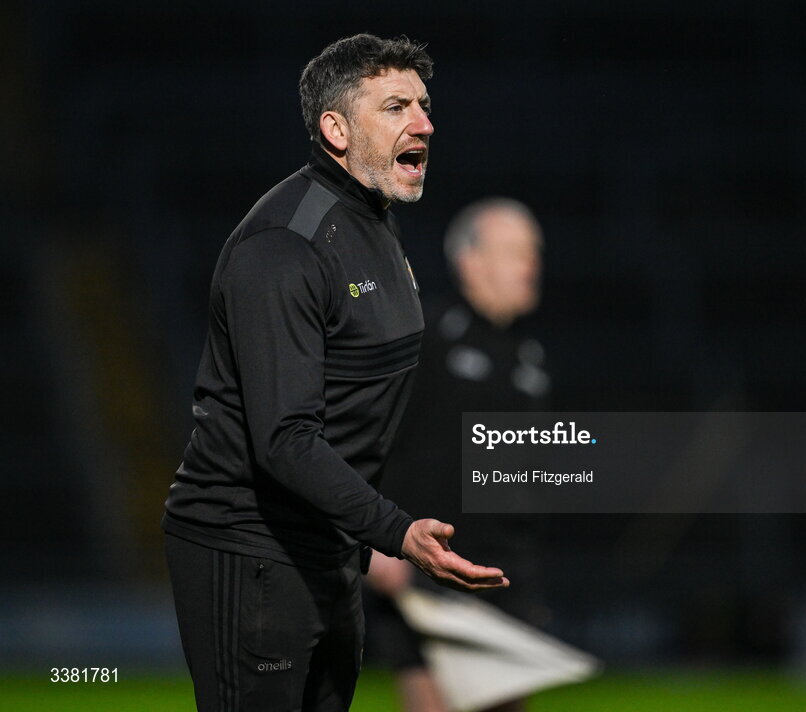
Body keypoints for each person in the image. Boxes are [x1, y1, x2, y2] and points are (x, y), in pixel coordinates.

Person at [162, 34, 508, 712]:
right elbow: (285, 438)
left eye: (424, 104)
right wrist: (394, 531)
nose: (424, 123)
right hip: (249, 548)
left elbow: (370, 406)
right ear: (335, 129)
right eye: (396, 106)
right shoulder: (282, 246)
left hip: (330, 546)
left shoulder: (372, 221)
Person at [365, 198, 550, 712]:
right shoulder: (424, 337)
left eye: (533, 251)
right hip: (427, 572)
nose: (531, 264)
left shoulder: (529, 359)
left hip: (505, 578)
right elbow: (364, 438)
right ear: (470, 260)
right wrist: (374, 540)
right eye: (515, 251)